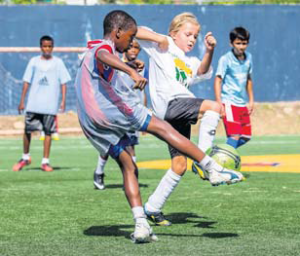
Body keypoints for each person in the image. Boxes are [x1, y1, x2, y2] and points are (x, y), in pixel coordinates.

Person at [74, 10, 243, 243]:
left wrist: (130, 65)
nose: (133, 42)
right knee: (166, 130)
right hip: (115, 110)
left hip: (91, 122)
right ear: (117, 33)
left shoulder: (102, 52)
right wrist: (131, 69)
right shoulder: (103, 47)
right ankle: (211, 167)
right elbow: (104, 55)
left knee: (129, 166)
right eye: (129, 37)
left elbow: (106, 70)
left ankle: (142, 222)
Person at [135, 12, 226, 226]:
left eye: (195, 36)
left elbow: (202, 71)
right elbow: (134, 29)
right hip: (170, 105)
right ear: (174, 34)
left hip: (176, 115)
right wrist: (160, 39)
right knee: (214, 106)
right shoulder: (162, 46)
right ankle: (204, 161)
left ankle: (152, 208)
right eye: (188, 34)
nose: (193, 39)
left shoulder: (189, 60)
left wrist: (210, 50)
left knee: (179, 165)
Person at [93, 39, 148, 190]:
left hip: (134, 112)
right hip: (117, 111)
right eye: (130, 47)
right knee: (109, 144)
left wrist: (145, 110)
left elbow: (142, 92)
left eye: (136, 48)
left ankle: (132, 177)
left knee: (131, 145)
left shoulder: (142, 68)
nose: (133, 50)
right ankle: (99, 172)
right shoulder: (116, 63)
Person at [12, 35, 71, 172]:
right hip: (34, 103)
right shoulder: (33, 62)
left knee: (48, 132)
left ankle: (45, 161)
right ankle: (25, 157)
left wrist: (63, 101)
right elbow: (27, 81)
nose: (47, 49)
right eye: (44, 46)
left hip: (49, 105)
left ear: (53, 47)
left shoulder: (58, 63)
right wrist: (22, 101)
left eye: (49, 46)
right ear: (40, 47)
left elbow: (63, 83)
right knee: (27, 130)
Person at [214, 27, 254, 149]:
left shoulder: (249, 58)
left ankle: (218, 153)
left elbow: (249, 80)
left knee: (246, 136)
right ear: (231, 43)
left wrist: (251, 101)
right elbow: (218, 80)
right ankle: (219, 159)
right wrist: (219, 103)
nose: (241, 46)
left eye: (244, 43)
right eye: (238, 43)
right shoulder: (225, 59)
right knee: (234, 136)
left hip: (242, 104)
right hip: (229, 103)